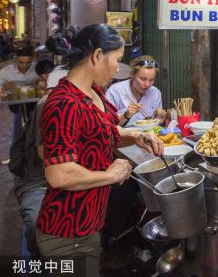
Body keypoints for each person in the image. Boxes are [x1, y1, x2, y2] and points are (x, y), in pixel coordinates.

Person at [36, 24, 164, 277]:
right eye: (116, 60)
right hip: (67, 231)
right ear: (96, 56)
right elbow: (59, 175)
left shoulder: (93, 93)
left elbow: (105, 132)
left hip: (88, 225)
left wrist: (137, 135)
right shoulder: (64, 103)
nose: (118, 68)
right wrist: (112, 175)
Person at [11, 66, 68, 257]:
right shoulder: (49, 105)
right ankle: (42, 264)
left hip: (69, 177)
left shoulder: (85, 103)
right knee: (39, 224)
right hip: (39, 181)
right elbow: (46, 155)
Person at [105, 55, 166, 127]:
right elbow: (107, 126)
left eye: (151, 80)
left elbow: (154, 125)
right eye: (143, 79)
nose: (147, 84)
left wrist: (158, 120)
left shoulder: (155, 93)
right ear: (132, 75)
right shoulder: (115, 91)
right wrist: (126, 115)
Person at [0, 47, 39, 144]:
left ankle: (32, 140)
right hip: (14, 100)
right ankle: (18, 141)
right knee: (18, 118)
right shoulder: (6, 71)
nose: (25, 65)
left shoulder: (36, 68)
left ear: (32, 60)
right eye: (21, 62)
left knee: (35, 119)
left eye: (28, 62)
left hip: (32, 99)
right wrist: (4, 87)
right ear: (16, 59)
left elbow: (43, 81)